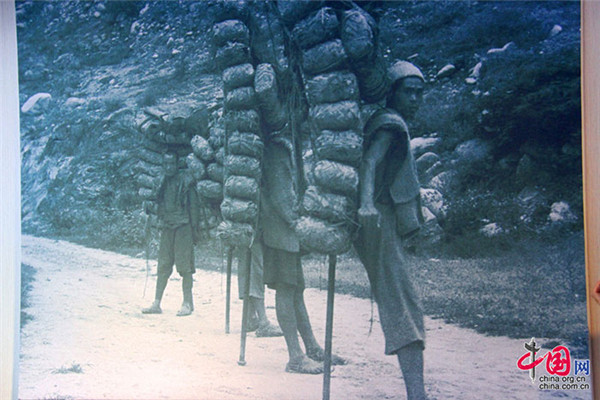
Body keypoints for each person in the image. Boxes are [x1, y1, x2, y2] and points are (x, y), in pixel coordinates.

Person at [355, 60, 428, 399]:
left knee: (403, 303)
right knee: (403, 305)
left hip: (384, 223)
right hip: (379, 222)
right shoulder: (389, 124)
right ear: (393, 93)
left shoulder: (390, 122)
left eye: (419, 93)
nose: (415, 99)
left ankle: (417, 393)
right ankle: (417, 395)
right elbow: (371, 161)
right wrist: (367, 204)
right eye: (408, 92)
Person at [261, 128, 346, 374]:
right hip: (280, 230)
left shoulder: (289, 146)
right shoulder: (277, 148)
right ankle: (295, 356)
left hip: (288, 230)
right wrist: (301, 224)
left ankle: (311, 347)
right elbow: (280, 196)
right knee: (286, 288)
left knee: (296, 288)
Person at [142, 152, 200, 317]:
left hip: (183, 227)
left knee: (185, 267)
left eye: (171, 164)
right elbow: (156, 203)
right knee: (163, 265)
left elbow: (193, 207)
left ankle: (187, 303)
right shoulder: (161, 182)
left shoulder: (185, 182)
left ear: (177, 165)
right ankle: (156, 303)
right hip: (167, 227)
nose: (169, 167)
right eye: (166, 164)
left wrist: (194, 230)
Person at [236, 242, 283, 337]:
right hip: (253, 234)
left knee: (248, 266)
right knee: (255, 271)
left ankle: (250, 319)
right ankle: (263, 323)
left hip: (246, 233)